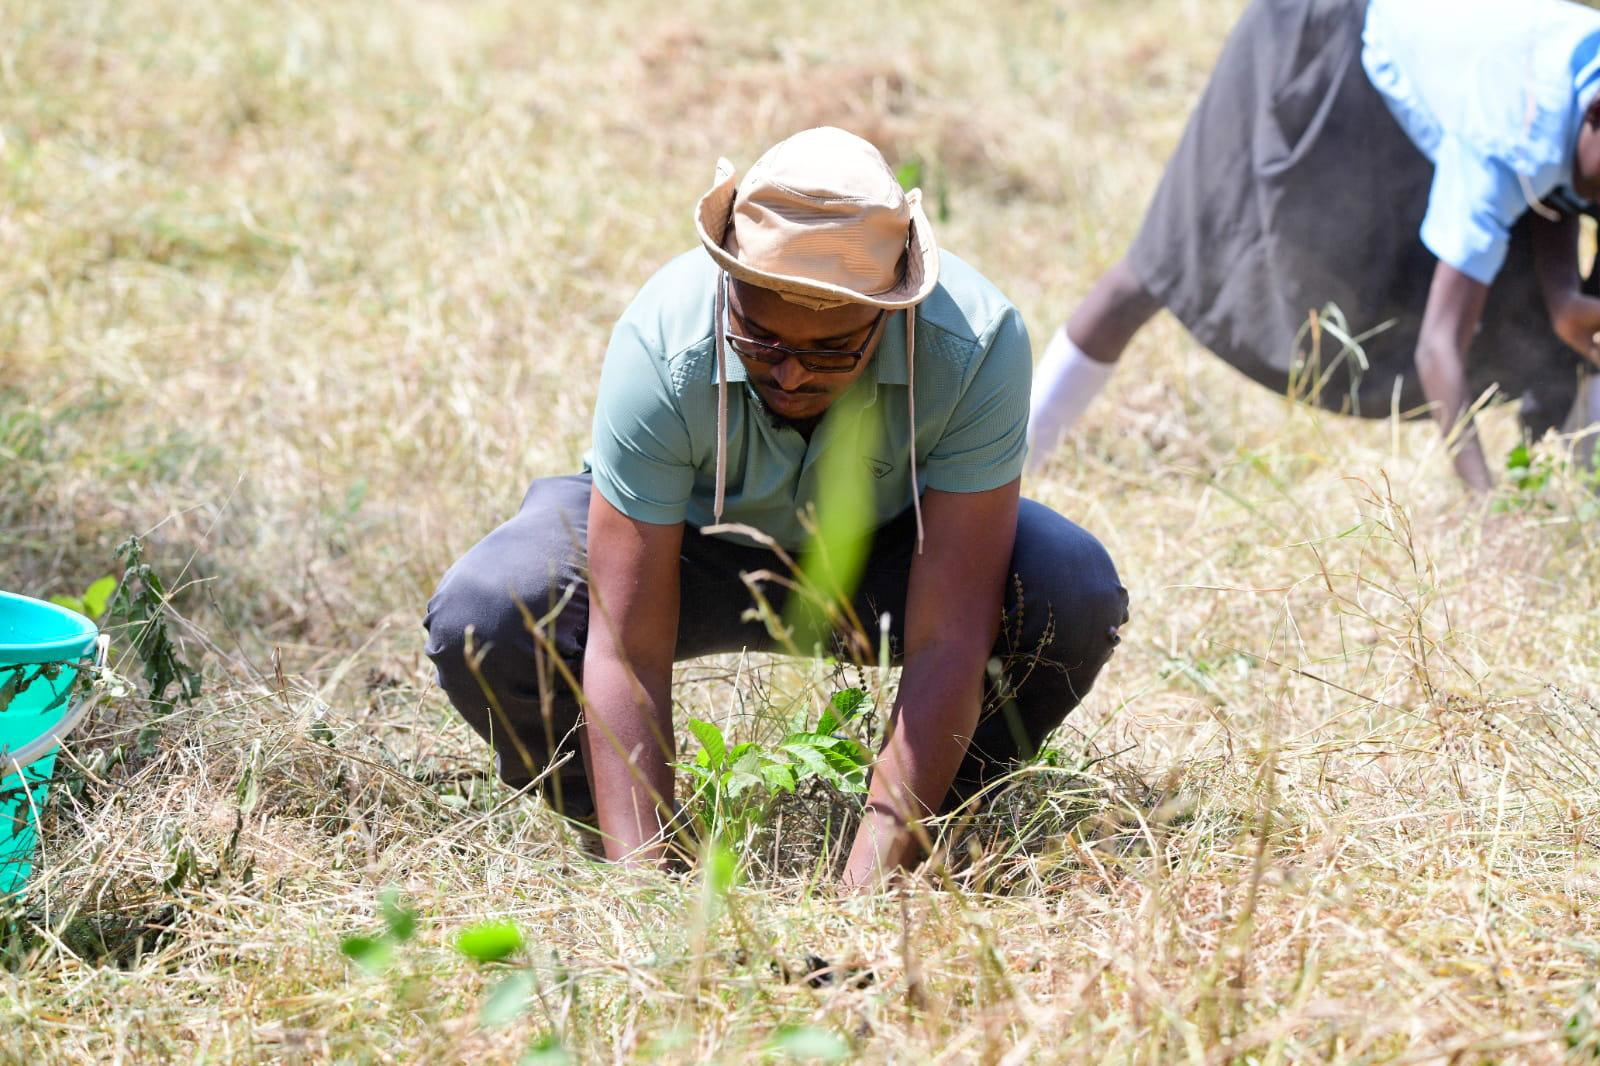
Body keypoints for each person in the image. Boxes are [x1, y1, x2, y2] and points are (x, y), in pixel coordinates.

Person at [423, 127, 1129, 888]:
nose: (790, 374)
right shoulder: (664, 339)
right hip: (684, 552)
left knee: (1070, 589)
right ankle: (620, 829)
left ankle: (929, 835)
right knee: (487, 611)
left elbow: (949, 637)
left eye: (830, 351)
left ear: (889, 313)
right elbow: (626, 645)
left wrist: (861, 898)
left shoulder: (977, 344)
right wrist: (651, 897)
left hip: (885, 558)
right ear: (728, 285)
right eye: (759, 340)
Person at [1028, 0, 1600, 490]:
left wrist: (1564, 301)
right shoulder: (1501, 137)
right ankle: (1005, 466)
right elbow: (1437, 349)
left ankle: (1570, 492)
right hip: (1315, 43)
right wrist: (1487, 516)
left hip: (1434, 76)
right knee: (1166, 259)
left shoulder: (1578, 70)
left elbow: (1553, 181)